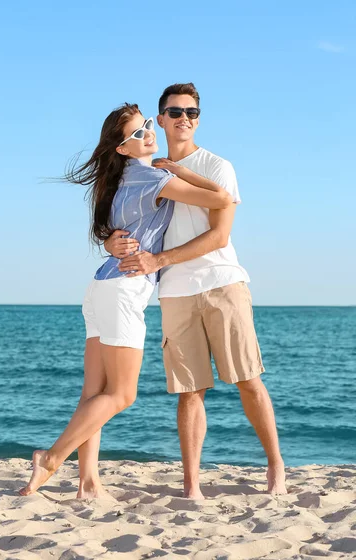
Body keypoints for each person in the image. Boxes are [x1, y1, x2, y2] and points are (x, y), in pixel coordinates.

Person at [19, 102, 233, 496]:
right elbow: (223, 200)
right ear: (122, 149)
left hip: (101, 288)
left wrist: (108, 240)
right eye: (137, 134)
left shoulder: (119, 182)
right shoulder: (150, 178)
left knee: (94, 394)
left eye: (148, 125)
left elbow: (113, 230)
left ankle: (88, 483)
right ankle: (51, 459)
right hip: (123, 291)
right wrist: (182, 170)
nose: (149, 133)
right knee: (122, 394)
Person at [106, 83, 287, 499]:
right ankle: (192, 486)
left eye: (192, 112)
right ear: (161, 118)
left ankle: (276, 467)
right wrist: (110, 243)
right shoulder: (146, 170)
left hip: (222, 283)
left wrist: (159, 260)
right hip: (174, 292)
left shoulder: (217, 165)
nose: (184, 118)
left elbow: (220, 236)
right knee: (189, 391)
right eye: (174, 112)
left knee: (248, 379)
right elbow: (123, 221)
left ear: (198, 118)